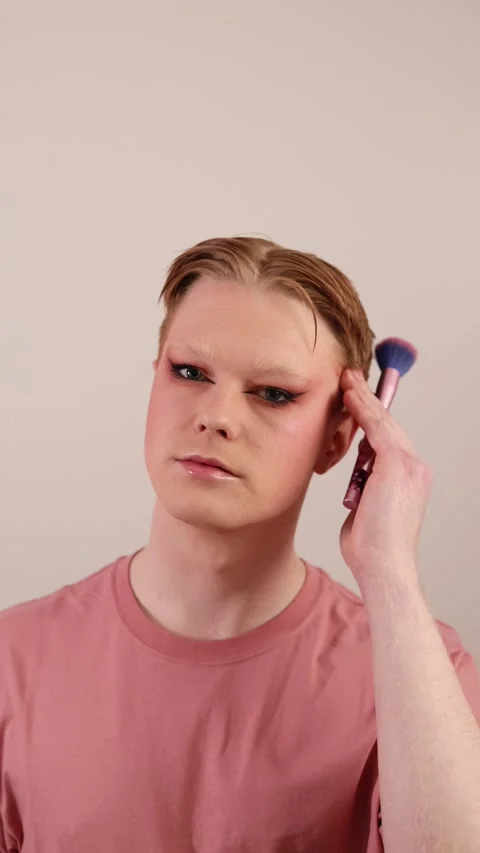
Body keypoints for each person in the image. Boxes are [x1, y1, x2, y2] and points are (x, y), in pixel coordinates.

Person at [1, 236, 479, 853]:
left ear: (341, 439)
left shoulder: (424, 672)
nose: (217, 416)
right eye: (189, 373)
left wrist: (389, 570)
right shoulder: (14, 659)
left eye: (273, 393)